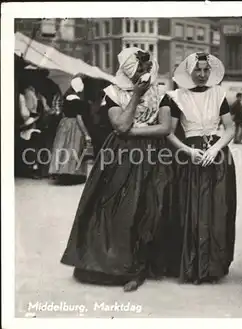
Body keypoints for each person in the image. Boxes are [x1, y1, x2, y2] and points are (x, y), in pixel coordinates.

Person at [60, 47, 174, 292]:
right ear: (127, 70)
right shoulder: (112, 94)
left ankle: (138, 267)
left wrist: (133, 132)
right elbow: (119, 123)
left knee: (147, 207)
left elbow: (164, 128)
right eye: (138, 69)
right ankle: (111, 265)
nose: (144, 73)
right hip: (120, 157)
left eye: (147, 68)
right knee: (115, 208)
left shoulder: (161, 94)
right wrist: (135, 97)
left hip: (153, 155)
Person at [162, 52, 237, 284]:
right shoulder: (175, 97)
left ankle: (212, 266)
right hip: (190, 156)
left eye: (206, 70)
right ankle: (192, 265)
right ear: (189, 72)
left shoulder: (219, 94)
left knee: (217, 209)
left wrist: (216, 149)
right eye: (198, 70)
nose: (202, 75)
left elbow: (230, 128)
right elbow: (169, 133)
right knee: (190, 208)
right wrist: (188, 151)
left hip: (218, 156)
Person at [48, 75, 92, 185]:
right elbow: (79, 118)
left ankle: (60, 173)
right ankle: (72, 174)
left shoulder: (66, 97)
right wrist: (86, 134)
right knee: (74, 149)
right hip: (74, 125)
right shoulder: (78, 101)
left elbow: (63, 112)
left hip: (64, 123)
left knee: (62, 147)